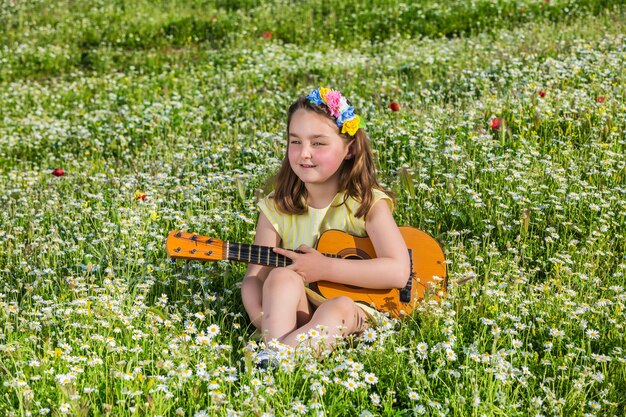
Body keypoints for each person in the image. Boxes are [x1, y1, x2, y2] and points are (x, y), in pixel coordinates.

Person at [241, 87, 410, 367]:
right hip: (302, 310)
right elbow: (254, 277)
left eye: (318, 143)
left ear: (350, 149)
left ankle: (275, 359)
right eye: (295, 142)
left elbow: (398, 271)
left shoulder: (366, 204)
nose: (304, 154)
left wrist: (326, 268)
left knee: (337, 306)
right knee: (280, 278)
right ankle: (277, 355)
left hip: (356, 312)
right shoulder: (276, 208)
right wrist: (261, 317)